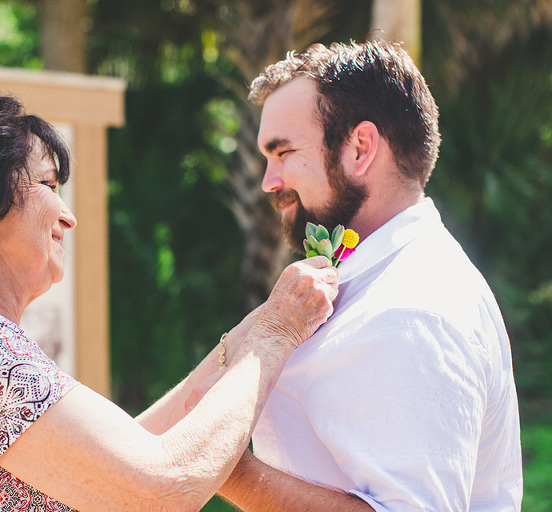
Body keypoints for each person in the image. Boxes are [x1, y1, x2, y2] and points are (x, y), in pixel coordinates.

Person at [0, 81, 339, 512]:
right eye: (48, 184)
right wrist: (278, 330)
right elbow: (157, 492)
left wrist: (243, 340)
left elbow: (124, 455)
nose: (68, 217)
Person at [200, 40, 522, 511]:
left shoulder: (413, 307)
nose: (269, 181)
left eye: (283, 152)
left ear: (360, 147)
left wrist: (224, 465)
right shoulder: (378, 284)